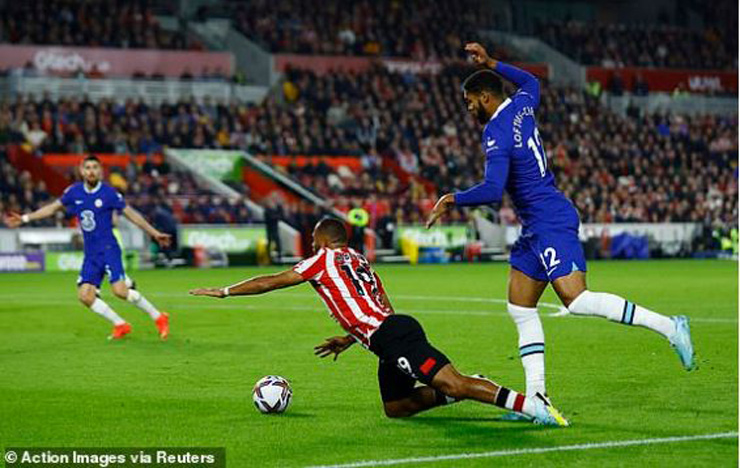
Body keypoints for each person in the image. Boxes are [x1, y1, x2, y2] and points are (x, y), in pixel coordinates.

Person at [426, 43, 695, 420]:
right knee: (520, 307)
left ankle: (670, 327)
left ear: (485, 97)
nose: (468, 108)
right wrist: (492, 63)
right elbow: (531, 80)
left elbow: (491, 191)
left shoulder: (496, 134)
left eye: (470, 101)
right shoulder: (522, 106)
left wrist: (451, 198)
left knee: (576, 300)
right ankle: (538, 400)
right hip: (536, 224)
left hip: (549, 219)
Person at [190, 218, 568, 426]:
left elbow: (271, 282)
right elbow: (379, 307)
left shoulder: (321, 260)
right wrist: (350, 338)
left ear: (324, 241)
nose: (310, 247)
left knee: (455, 379)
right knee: (397, 407)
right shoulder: (359, 261)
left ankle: (533, 407)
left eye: (314, 240)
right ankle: (452, 393)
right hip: (388, 337)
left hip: (393, 337)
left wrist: (225, 291)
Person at [4, 155, 171, 340]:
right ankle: (120, 324)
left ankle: (159, 316)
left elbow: (132, 215)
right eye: (88, 167)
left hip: (109, 249)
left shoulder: (108, 193)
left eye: (95, 167)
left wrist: (154, 233)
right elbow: (52, 208)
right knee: (85, 296)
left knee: (120, 291)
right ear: (81, 171)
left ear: (100, 171)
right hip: (91, 254)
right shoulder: (74, 192)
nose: (91, 171)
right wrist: (25, 218)